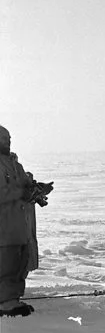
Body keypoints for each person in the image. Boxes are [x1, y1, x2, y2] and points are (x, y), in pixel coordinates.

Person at [0, 125, 52, 318]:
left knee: (19, 262)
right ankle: (5, 303)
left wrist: (37, 190)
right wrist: (22, 192)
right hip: (4, 227)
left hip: (19, 225)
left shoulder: (14, 164)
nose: (7, 142)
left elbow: (24, 185)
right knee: (5, 264)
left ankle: (13, 299)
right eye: (3, 139)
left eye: (8, 138)